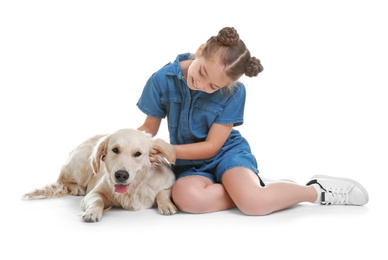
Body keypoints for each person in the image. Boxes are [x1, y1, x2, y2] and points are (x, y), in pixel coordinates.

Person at [136, 27, 369, 215]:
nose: (202, 85)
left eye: (213, 87)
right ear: (200, 49)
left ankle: (315, 191)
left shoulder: (235, 93)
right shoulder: (161, 80)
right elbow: (148, 129)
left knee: (253, 205)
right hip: (189, 162)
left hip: (227, 153)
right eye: (203, 73)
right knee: (186, 198)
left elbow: (212, 147)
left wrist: (169, 150)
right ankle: (261, 189)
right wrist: (128, 147)